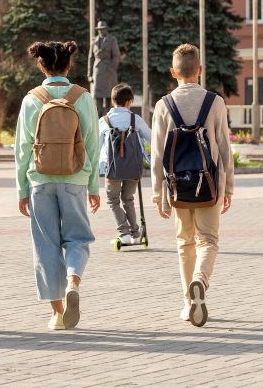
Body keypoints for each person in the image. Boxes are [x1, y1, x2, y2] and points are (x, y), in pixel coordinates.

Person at [15, 40, 101, 331]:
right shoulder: (83, 97)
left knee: (46, 244)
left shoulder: (32, 99)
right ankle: (73, 280)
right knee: (78, 237)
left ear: (42, 65)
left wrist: (22, 190)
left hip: (40, 179)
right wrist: (93, 186)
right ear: (69, 65)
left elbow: (22, 147)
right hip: (75, 177)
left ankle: (58, 314)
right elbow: (93, 143)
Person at [150, 44, 233, 327]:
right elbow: (224, 148)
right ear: (199, 70)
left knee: (185, 243)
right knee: (208, 241)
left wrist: (157, 193)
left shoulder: (163, 105)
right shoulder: (215, 102)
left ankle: (188, 303)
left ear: (173, 72)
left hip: (176, 187)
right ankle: (201, 280)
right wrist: (229, 188)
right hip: (209, 185)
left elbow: (158, 154)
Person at [99, 83, 151, 246]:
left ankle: (124, 233)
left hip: (113, 168)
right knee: (128, 198)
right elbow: (152, 138)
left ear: (113, 101)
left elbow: (97, 146)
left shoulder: (104, 121)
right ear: (129, 102)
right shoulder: (136, 119)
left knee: (113, 200)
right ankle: (136, 234)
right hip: (133, 167)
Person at [90, 21, 120, 115]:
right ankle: (98, 123)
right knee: (97, 99)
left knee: (109, 99)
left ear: (106, 29)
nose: (101, 31)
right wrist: (89, 74)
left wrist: (111, 69)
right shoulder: (94, 41)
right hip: (97, 73)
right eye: (99, 29)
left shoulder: (112, 40)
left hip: (108, 74)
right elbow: (90, 58)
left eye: (103, 29)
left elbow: (116, 56)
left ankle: (110, 122)